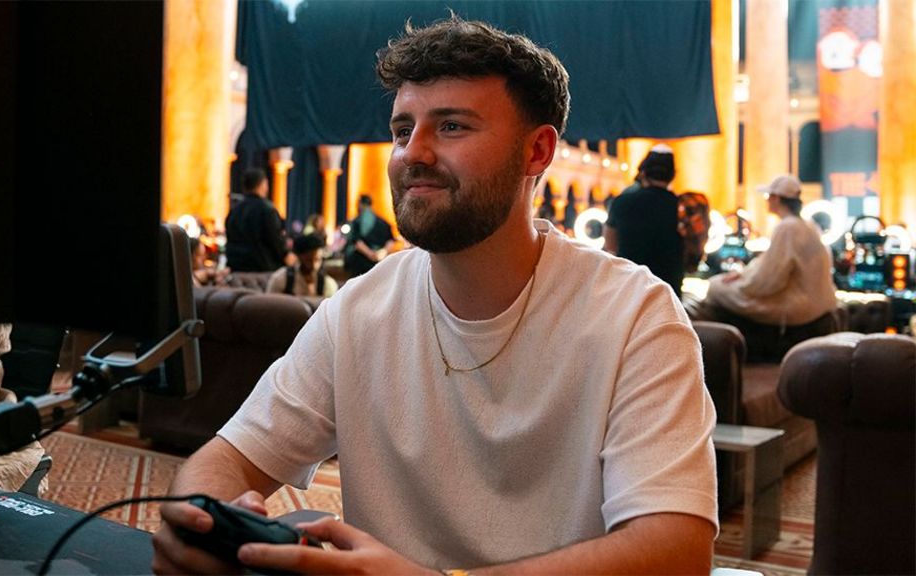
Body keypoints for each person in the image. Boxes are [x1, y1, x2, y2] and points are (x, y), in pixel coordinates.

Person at [152, 15, 717, 575]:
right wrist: (198, 521)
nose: (412, 153)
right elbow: (228, 458)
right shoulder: (357, 311)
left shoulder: (636, 315)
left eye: (451, 127)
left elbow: (675, 549)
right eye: (402, 130)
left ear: (537, 152)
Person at [704, 174, 838, 327]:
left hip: (801, 307)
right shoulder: (809, 225)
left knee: (716, 286)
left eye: (768, 196)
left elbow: (769, 280)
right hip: (819, 303)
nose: (766, 200)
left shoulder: (787, 227)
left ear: (777, 198)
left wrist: (741, 282)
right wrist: (742, 274)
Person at [603, 144, 685, 297]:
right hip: (669, 294)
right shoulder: (682, 207)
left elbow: (610, 245)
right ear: (673, 175)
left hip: (631, 289)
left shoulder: (621, 202)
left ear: (644, 172)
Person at [224, 168, 288, 272]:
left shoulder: (234, 211)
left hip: (236, 269)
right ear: (262, 184)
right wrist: (286, 256)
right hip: (262, 271)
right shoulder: (267, 210)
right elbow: (276, 241)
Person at [265, 233, 338, 298]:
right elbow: (270, 306)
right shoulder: (281, 279)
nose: (313, 265)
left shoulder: (328, 284)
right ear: (299, 257)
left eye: (317, 259)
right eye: (308, 260)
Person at [342, 194, 395, 277]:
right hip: (379, 262)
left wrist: (370, 254)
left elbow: (357, 242)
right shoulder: (383, 222)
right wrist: (382, 253)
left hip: (361, 263)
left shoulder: (356, 221)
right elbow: (390, 241)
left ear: (361, 204)